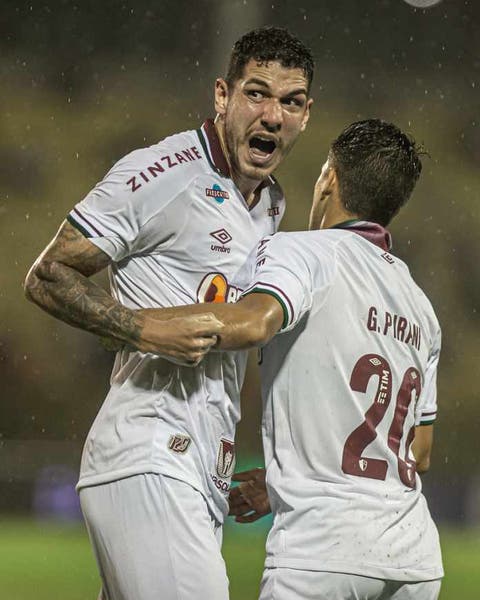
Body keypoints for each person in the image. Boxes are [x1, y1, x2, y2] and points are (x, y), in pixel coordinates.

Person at [23, 26, 314, 600]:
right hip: (148, 451)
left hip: (197, 471)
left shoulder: (272, 204)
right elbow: (48, 274)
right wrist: (147, 329)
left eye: (291, 101)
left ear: (306, 115)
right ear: (222, 97)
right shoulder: (164, 172)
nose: (274, 115)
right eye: (257, 93)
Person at [146, 119, 443, 599]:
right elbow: (420, 451)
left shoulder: (303, 252)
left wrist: (138, 324)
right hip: (413, 561)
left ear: (329, 178)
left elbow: (254, 324)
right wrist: (292, 476)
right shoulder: (419, 305)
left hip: (323, 552)